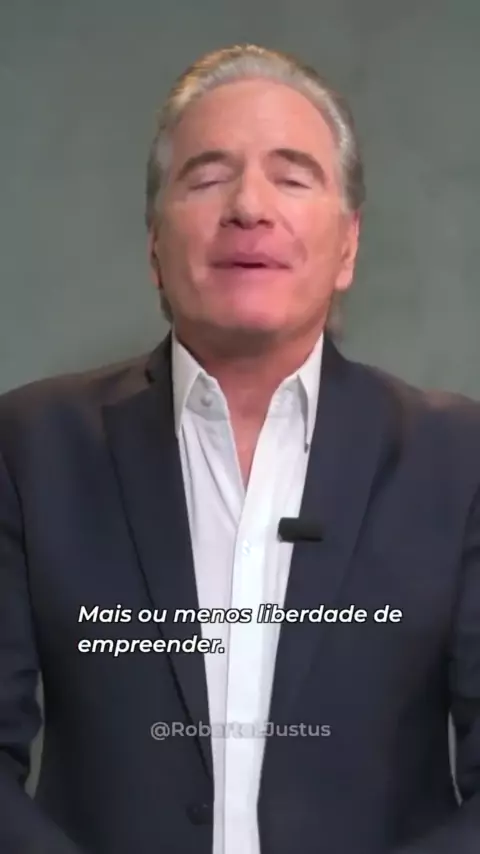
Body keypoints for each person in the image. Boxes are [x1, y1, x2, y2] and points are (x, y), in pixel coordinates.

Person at [1, 41, 480, 854]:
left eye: (292, 177)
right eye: (208, 177)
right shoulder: (29, 449)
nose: (249, 207)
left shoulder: (459, 461)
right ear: (155, 245)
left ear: (348, 245)